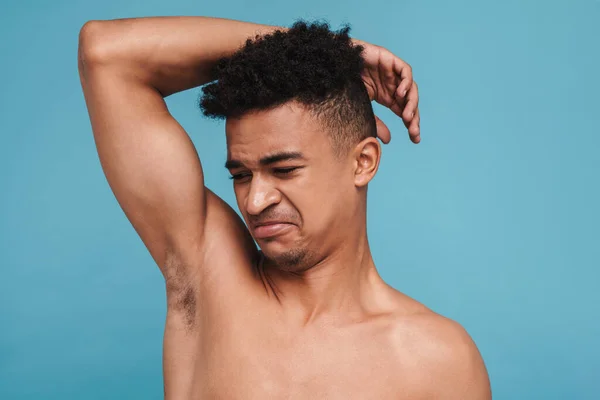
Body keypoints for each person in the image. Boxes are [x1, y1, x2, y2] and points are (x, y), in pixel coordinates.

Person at [78, 16, 491, 399]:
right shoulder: (208, 275)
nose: (255, 201)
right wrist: (333, 50)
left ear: (362, 162)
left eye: (285, 169)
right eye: (241, 175)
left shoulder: (439, 361)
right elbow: (107, 54)